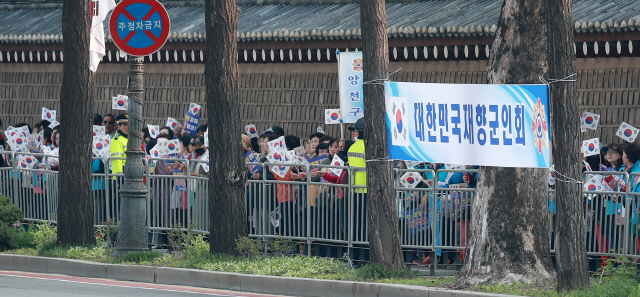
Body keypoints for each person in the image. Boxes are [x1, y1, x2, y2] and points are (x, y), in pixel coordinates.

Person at [347, 117, 368, 263]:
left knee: (355, 225)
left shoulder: (352, 147)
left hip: (353, 190)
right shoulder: (368, 148)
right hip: (367, 191)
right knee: (366, 227)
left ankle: (354, 257)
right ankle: (364, 258)